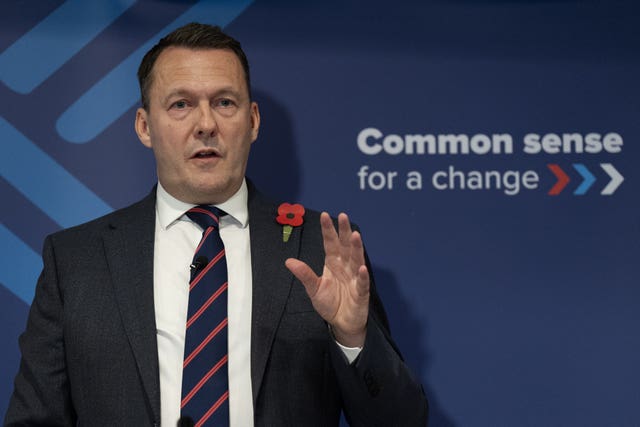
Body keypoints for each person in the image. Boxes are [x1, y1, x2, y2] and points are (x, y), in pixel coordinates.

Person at [4, 23, 428, 426]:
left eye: (224, 102)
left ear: (253, 121)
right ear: (144, 126)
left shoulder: (320, 248)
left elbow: (400, 422)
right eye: (181, 104)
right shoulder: (76, 260)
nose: (206, 124)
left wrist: (352, 338)